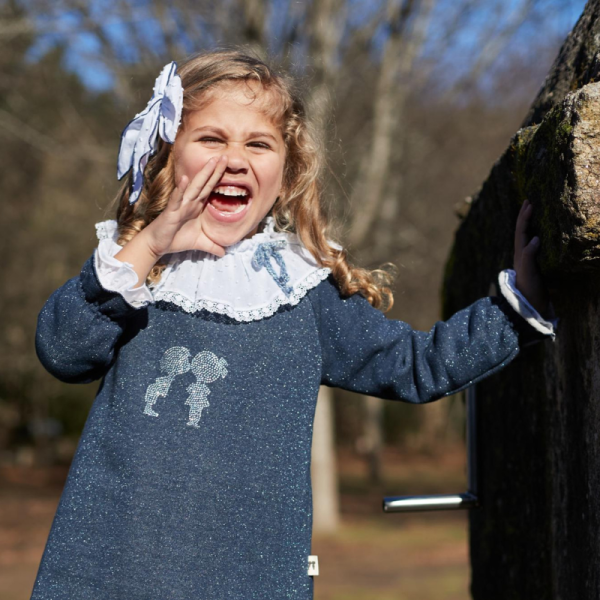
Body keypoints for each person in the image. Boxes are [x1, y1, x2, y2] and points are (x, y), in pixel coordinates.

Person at [31, 49, 558, 600]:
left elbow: (414, 366)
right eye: (211, 139)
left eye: (258, 143)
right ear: (167, 156)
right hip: (104, 579)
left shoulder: (297, 288)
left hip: (252, 583)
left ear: (287, 171)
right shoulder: (131, 271)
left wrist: (513, 306)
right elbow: (64, 353)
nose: (233, 159)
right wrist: (148, 246)